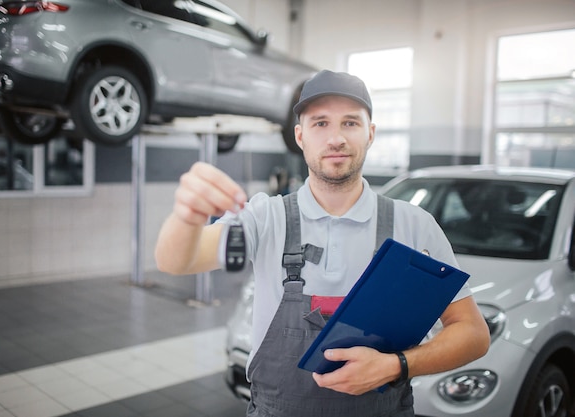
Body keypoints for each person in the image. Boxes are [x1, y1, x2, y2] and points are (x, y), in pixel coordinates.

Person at [155, 70, 490, 417]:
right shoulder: (265, 217)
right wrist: (186, 216)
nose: (336, 139)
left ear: (370, 133)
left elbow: (473, 334)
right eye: (320, 124)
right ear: (300, 136)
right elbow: (177, 262)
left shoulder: (415, 225)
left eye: (350, 123)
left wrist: (396, 365)